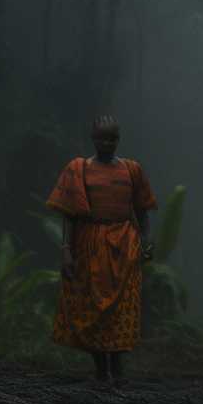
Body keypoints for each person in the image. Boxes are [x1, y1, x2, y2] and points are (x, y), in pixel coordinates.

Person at [48, 116, 157, 387]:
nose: (107, 143)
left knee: (123, 308)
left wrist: (146, 243)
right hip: (90, 244)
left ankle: (118, 369)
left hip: (125, 245)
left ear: (119, 139)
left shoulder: (132, 170)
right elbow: (69, 215)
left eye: (112, 138)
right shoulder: (79, 169)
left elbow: (143, 214)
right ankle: (101, 370)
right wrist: (66, 251)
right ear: (93, 138)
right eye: (101, 138)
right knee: (93, 305)